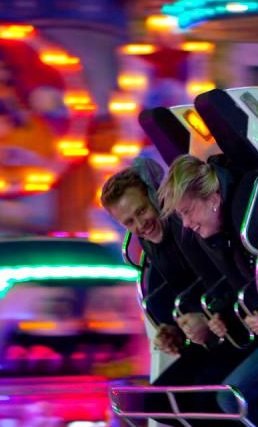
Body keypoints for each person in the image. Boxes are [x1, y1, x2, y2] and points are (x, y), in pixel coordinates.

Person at [158, 153, 258, 427]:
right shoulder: (222, 236)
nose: (186, 224)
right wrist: (225, 316)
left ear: (213, 199)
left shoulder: (247, 224)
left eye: (188, 211)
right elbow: (243, 287)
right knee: (230, 398)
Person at [100, 158, 245, 387]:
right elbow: (185, 290)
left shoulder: (186, 226)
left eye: (142, 211)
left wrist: (207, 317)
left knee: (200, 395)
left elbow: (230, 279)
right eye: (129, 222)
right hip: (215, 330)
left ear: (155, 198)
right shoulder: (151, 244)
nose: (141, 225)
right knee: (158, 397)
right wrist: (173, 330)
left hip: (237, 326)